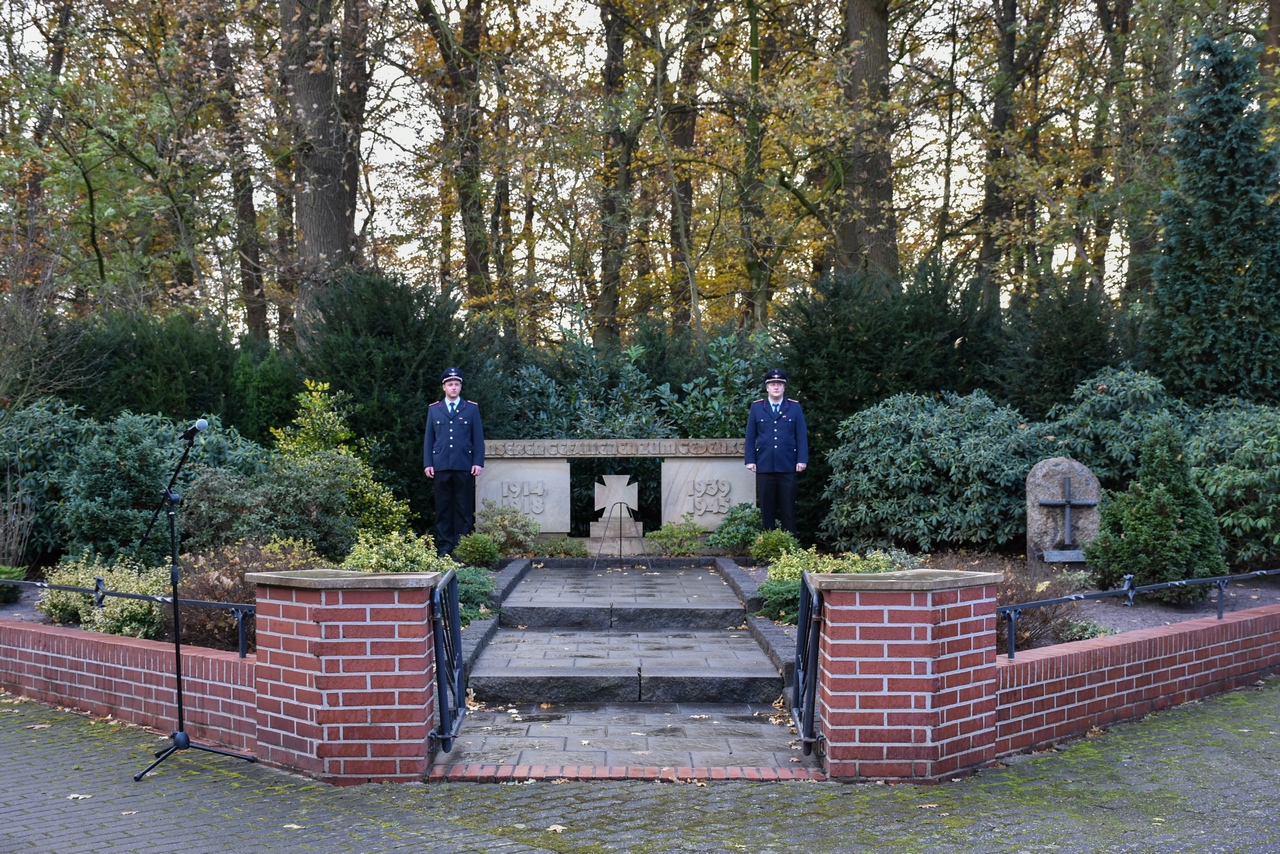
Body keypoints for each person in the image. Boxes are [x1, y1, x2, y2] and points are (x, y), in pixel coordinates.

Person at [423, 367, 484, 556]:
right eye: (450, 384)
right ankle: (445, 548)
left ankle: (462, 548)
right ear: (444, 387)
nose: (454, 388)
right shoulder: (434, 410)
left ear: (461, 387)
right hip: (440, 465)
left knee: (464, 508)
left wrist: (478, 462)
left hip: (464, 465)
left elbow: (477, 438)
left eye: (457, 384)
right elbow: (429, 439)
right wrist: (428, 463)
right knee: (443, 509)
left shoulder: (471, 409)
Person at [744, 367, 807, 535]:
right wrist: (750, 460)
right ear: (767, 387)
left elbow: (801, 435)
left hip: (788, 465)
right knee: (767, 509)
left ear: (784, 387)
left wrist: (802, 459)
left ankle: (790, 548)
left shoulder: (794, 407)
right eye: (772, 384)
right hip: (764, 466)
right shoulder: (757, 408)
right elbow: (750, 436)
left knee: (788, 509)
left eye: (779, 384)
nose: (776, 387)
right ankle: (769, 547)